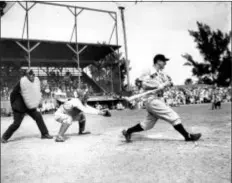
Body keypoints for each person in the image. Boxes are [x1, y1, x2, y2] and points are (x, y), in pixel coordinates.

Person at [122, 54, 202, 143]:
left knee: (147, 125)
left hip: (155, 99)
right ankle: (187, 136)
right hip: (151, 99)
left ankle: (128, 131)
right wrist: (157, 85)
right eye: (164, 61)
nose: (165, 64)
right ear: (158, 61)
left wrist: (167, 84)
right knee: (173, 116)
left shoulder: (160, 74)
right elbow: (142, 83)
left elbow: (165, 85)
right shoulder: (149, 70)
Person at [1, 69, 53, 143]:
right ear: (26, 75)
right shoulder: (22, 82)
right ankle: (4, 137)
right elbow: (13, 94)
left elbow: (36, 92)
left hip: (29, 106)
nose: (32, 75)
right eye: (30, 74)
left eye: (33, 74)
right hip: (19, 106)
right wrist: (13, 104)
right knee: (16, 124)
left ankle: (44, 134)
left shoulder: (34, 82)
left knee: (38, 116)